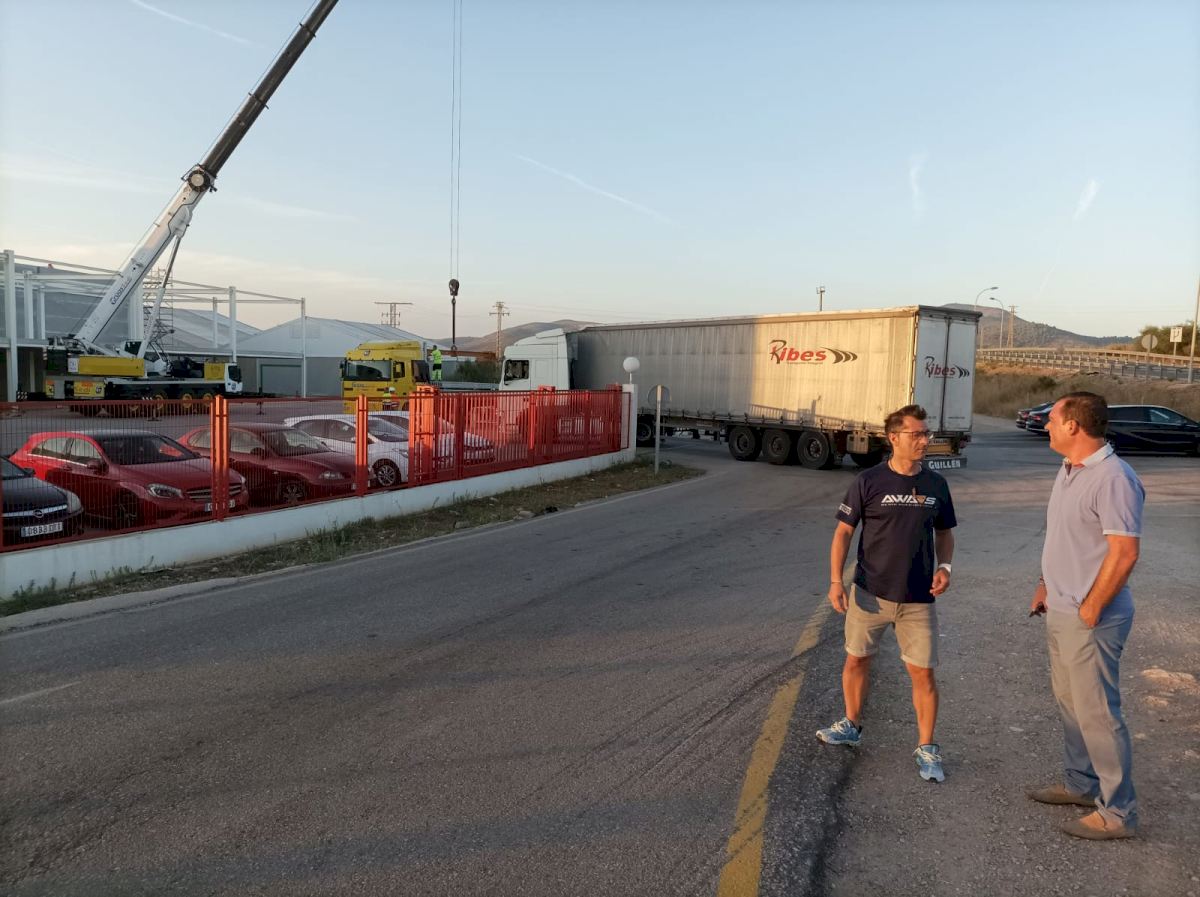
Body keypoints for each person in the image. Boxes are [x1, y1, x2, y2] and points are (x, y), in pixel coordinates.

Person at [816, 404, 957, 783]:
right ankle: (851, 724)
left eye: (926, 433)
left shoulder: (936, 485)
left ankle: (927, 747)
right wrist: (835, 581)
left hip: (918, 599)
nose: (925, 440)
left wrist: (945, 567)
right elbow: (844, 532)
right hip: (870, 594)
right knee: (856, 660)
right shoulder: (869, 481)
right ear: (894, 437)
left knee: (923, 674)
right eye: (917, 434)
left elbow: (945, 532)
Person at [1027, 391, 1142, 840]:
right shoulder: (1069, 468)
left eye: (1053, 419)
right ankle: (1081, 784)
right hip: (1061, 606)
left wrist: (1091, 606)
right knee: (1071, 703)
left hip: (1091, 616)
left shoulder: (1113, 478)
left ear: (1073, 426)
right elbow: (1062, 537)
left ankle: (1118, 814)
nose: (1047, 425)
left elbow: (1125, 552)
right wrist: (1045, 583)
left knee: (1097, 712)